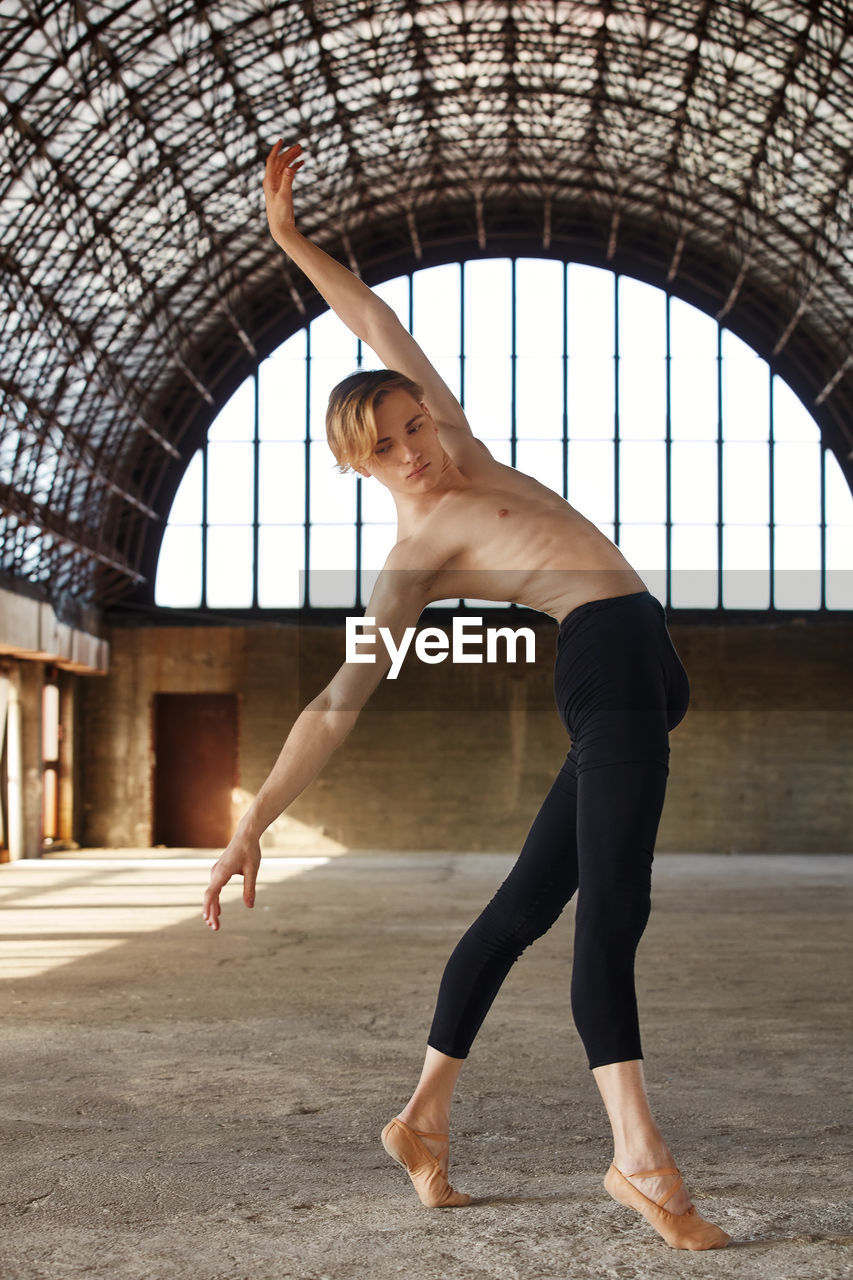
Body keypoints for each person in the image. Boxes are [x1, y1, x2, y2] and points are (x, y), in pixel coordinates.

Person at [202, 140, 730, 1252]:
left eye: (417, 425)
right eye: (388, 449)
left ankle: (422, 1118)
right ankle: (638, 1159)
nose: (416, 451)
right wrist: (252, 818)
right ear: (360, 468)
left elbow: (376, 326)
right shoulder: (416, 560)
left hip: (642, 665)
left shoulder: (469, 455)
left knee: (519, 909)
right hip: (603, 661)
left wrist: (293, 242)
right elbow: (337, 703)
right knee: (612, 914)